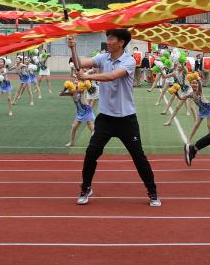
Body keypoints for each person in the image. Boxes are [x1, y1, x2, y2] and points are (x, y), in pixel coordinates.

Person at [67, 29, 159, 207]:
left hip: (126, 119)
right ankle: (85, 187)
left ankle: (152, 191)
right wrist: (73, 48)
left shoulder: (129, 61)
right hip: (105, 119)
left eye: (111, 39)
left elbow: (112, 76)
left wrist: (88, 76)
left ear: (121, 42)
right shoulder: (103, 57)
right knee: (91, 152)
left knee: (138, 157)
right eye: (107, 38)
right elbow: (79, 62)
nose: (107, 41)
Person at [61, 78, 96, 147]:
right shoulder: (72, 92)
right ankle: (71, 142)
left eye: (78, 80)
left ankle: (94, 143)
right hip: (80, 112)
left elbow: (90, 90)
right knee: (74, 127)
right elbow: (61, 94)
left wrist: (88, 85)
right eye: (75, 80)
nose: (76, 81)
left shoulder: (82, 90)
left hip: (86, 110)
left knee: (91, 127)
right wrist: (64, 90)